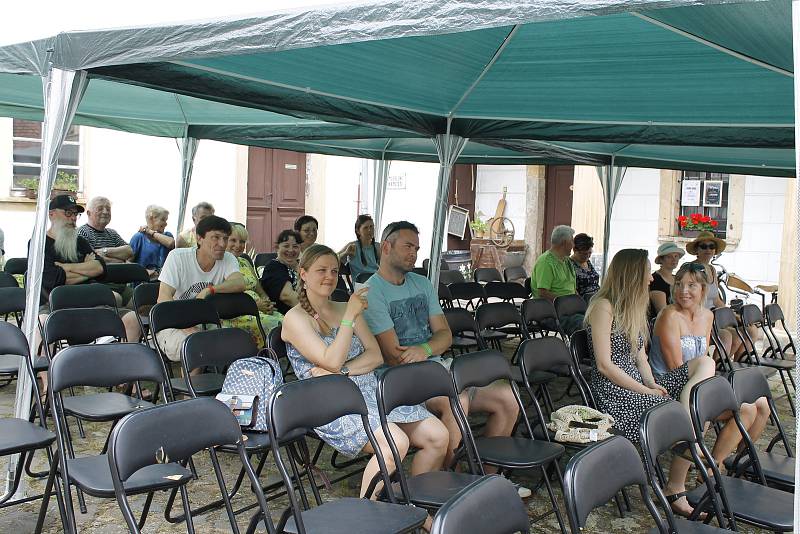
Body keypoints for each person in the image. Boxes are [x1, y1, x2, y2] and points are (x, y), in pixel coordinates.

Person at [363, 221, 525, 495]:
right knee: (457, 398)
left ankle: (485, 477)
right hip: (398, 381)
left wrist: (426, 349)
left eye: (416, 247)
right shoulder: (372, 292)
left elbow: (444, 335)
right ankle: (450, 483)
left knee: (508, 397)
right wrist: (431, 348)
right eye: (407, 247)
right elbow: (393, 355)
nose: (413, 253)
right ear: (387, 247)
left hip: (437, 370)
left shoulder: (421, 283)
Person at [282, 244, 448, 501]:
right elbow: (331, 360)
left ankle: (413, 504)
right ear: (303, 274)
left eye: (334, 271)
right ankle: (367, 513)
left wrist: (344, 372)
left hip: (369, 390)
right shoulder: (296, 318)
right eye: (321, 270)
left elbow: (374, 356)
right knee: (395, 444)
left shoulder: (346, 308)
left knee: (438, 436)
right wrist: (348, 318)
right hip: (329, 401)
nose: (329, 276)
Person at [649, 262, 770, 517]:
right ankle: (675, 486)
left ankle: (712, 466)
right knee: (699, 409)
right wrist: (707, 395)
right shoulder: (669, 315)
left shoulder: (707, 316)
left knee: (753, 408)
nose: (683, 290)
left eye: (691, 285)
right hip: (669, 385)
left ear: (704, 289)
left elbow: (702, 356)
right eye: (679, 284)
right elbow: (675, 367)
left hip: (694, 383)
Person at [585, 248, 714, 443]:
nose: (651, 278)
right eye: (647, 272)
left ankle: (690, 425)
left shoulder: (632, 308)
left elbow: (640, 358)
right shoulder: (604, 306)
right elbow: (604, 365)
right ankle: (692, 439)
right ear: (633, 275)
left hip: (639, 384)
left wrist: (651, 383)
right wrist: (645, 390)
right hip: (615, 393)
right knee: (674, 409)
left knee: (705, 363)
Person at [32, 195, 141, 349]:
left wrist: (66, 267)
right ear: (52, 214)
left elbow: (100, 269)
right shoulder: (39, 243)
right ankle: (45, 373)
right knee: (42, 323)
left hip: (90, 302)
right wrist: (86, 269)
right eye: (68, 213)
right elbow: (53, 280)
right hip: (55, 305)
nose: (73, 219)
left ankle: (121, 369)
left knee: (132, 319)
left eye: (76, 214)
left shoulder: (80, 242)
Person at [156, 215, 245, 364]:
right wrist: (186, 325)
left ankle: (216, 385)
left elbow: (239, 283)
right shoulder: (178, 257)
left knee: (235, 342)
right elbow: (163, 298)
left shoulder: (228, 258)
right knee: (196, 346)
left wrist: (209, 290)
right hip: (173, 322)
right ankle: (190, 386)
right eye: (215, 237)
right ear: (199, 239)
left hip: (205, 322)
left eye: (225, 238)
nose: (222, 244)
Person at [685, 231, 750, 360]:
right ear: (697, 250)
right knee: (727, 336)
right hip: (696, 319)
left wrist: (731, 314)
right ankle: (711, 371)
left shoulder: (712, 270)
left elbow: (716, 299)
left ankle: (725, 368)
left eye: (711, 246)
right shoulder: (690, 268)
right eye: (703, 246)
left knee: (745, 333)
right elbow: (687, 298)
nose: (708, 249)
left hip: (713, 317)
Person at [225, 223, 283, 346]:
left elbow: (258, 288)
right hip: (238, 314)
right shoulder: (220, 265)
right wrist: (254, 306)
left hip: (261, 309)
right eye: (233, 240)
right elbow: (224, 299)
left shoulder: (245, 262)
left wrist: (266, 301)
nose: (238, 245)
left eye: (242, 242)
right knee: (277, 325)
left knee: (289, 322)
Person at [532, 225, 582, 333]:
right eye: (572, 242)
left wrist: (577, 303)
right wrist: (565, 304)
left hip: (569, 310)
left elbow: (572, 288)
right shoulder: (546, 262)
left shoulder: (567, 261)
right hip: (550, 313)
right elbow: (543, 293)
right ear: (564, 243)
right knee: (583, 323)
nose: (573, 246)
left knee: (596, 318)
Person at [78, 196, 134, 264]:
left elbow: (129, 251)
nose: (105, 212)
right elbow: (92, 259)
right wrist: (121, 261)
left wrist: (104, 251)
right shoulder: (83, 233)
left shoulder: (112, 233)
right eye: (100, 209)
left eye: (108, 209)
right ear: (89, 213)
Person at [260, 230, 302, 315]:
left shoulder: (302, 266)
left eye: (295, 246)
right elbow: (287, 297)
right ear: (277, 247)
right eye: (286, 246)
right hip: (285, 317)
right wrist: (315, 313)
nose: (291, 250)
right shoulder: (273, 267)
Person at [130, 204, 175, 279]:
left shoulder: (167, 235)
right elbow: (128, 262)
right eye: (163, 219)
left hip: (164, 282)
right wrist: (144, 271)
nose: (166, 223)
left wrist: (149, 231)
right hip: (144, 282)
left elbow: (170, 243)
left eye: (166, 220)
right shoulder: (138, 237)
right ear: (152, 219)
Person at [338, 214, 380, 282]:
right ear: (358, 231)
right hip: (361, 285)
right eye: (365, 228)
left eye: (371, 227)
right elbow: (333, 259)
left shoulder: (378, 246)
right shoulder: (352, 246)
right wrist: (345, 253)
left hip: (377, 282)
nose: (369, 230)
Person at [648, 242, 684, 320]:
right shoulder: (655, 279)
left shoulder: (677, 278)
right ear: (661, 260)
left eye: (676, 256)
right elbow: (662, 311)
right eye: (669, 257)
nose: (674, 259)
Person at [569, 233, 599, 300]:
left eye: (590, 253)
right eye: (585, 254)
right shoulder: (569, 264)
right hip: (581, 302)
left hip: (596, 299)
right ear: (575, 250)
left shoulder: (588, 261)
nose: (588, 256)